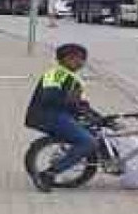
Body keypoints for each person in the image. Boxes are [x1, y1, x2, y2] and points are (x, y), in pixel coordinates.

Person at [24, 43, 99, 192]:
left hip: (61, 114)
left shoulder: (74, 78)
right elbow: (49, 97)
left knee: (96, 130)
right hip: (48, 115)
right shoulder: (56, 74)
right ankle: (48, 174)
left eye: (82, 59)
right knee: (89, 142)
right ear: (64, 59)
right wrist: (72, 104)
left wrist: (97, 116)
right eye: (76, 58)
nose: (80, 62)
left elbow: (82, 104)